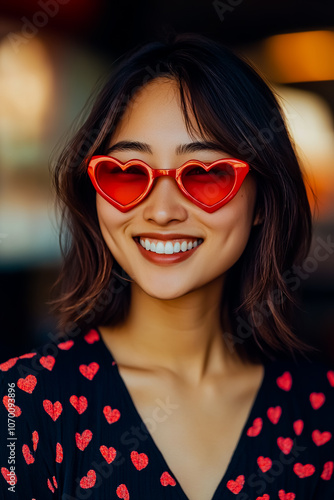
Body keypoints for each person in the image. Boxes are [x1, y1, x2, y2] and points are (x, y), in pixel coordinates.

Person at [1, 33, 334, 500]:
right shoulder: (21, 404)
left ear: (262, 199)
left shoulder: (320, 412)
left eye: (206, 174)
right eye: (126, 172)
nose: (161, 211)